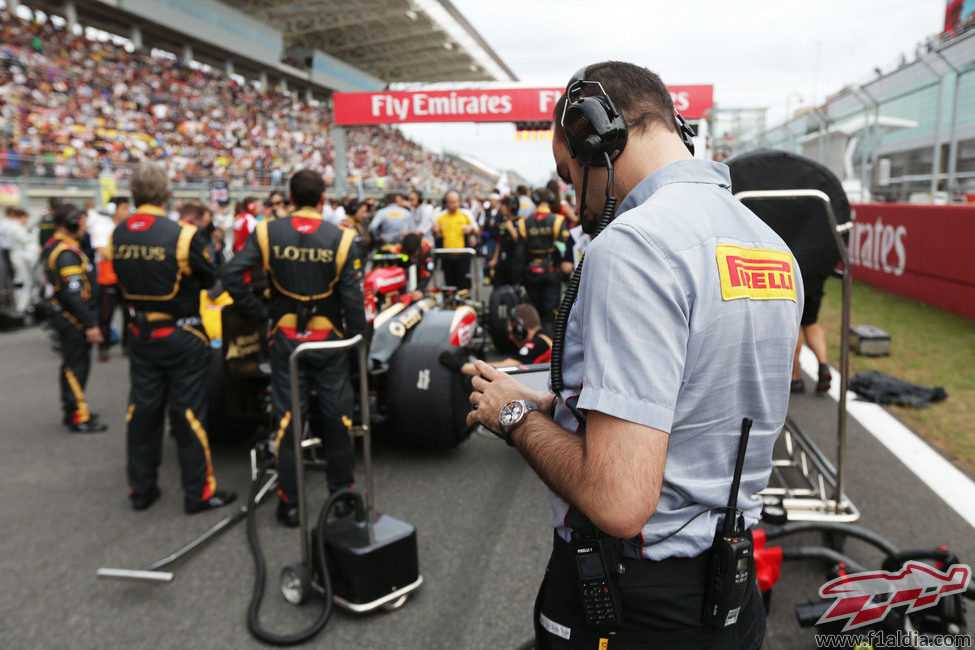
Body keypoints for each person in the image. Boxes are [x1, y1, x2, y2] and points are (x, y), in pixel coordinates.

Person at [465, 61, 802, 649]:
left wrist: (513, 416)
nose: (575, 198)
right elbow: (702, 398)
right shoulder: (768, 244)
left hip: (633, 606)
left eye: (568, 172)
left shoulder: (635, 245)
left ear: (596, 139)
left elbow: (619, 501)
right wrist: (562, 405)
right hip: (731, 596)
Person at [223, 169, 366, 527]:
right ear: (322, 199)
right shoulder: (343, 238)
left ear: (290, 198)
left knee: (288, 422)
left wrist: (262, 315)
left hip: (285, 340)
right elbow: (352, 299)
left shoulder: (267, 231)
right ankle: (343, 495)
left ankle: (289, 503)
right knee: (338, 418)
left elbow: (231, 275)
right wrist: (359, 341)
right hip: (329, 340)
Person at [111, 162, 235, 513]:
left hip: (141, 334)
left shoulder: (117, 234)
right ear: (167, 195)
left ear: (133, 195)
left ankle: (142, 490)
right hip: (182, 334)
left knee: (142, 412)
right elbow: (212, 282)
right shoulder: (183, 235)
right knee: (189, 413)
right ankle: (198, 494)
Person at [41, 203, 107, 433]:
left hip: (66, 314)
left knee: (72, 365)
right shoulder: (65, 252)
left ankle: (73, 410)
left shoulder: (58, 245)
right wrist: (89, 323)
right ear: (73, 223)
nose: (86, 227)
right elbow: (72, 294)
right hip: (72, 317)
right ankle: (79, 416)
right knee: (76, 367)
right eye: (84, 222)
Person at [517, 189, 567, 331]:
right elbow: (563, 248)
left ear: (534, 199)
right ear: (551, 199)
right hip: (552, 271)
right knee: (551, 311)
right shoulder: (558, 220)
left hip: (531, 272)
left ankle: (535, 341)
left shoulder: (523, 222)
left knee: (534, 309)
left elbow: (520, 254)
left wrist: (518, 276)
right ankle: (550, 344)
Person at [92, 197, 131, 361]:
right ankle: (104, 347)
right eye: (124, 208)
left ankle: (128, 347)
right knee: (105, 315)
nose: (127, 212)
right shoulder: (102, 225)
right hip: (108, 278)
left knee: (129, 315)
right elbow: (102, 251)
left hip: (127, 277)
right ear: (114, 208)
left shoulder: (129, 226)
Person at [462, 304, 551, 375]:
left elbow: (502, 369)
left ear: (519, 329)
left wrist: (462, 366)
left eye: (512, 332)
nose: (510, 337)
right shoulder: (547, 338)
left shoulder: (539, 344)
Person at [433, 189, 479, 290]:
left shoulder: (466, 213)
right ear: (446, 202)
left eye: (457, 201)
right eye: (452, 202)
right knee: (449, 284)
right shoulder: (441, 216)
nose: (455, 204)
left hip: (462, 255)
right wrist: (435, 231)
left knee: (463, 285)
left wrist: (471, 230)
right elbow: (436, 236)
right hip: (447, 256)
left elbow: (477, 230)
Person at [5, 207, 39, 316]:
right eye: (26, 218)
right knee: (24, 281)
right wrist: (33, 233)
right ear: (21, 217)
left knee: (20, 280)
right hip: (19, 255)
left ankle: (20, 304)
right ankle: (21, 306)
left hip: (16, 254)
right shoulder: (16, 228)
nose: (27, 221)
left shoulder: (13, 226)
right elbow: (27, 240)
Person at [489, 195, 523, 287]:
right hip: (502, 261)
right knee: (497, 289)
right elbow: (500, 241)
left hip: (515, 263)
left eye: (503, 206)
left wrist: (511, 229)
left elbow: (520, 242)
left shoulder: (521, 222)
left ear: (511, 207)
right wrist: (495, 259)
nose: (501, 208)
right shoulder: (503, 221)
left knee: (513, 292)